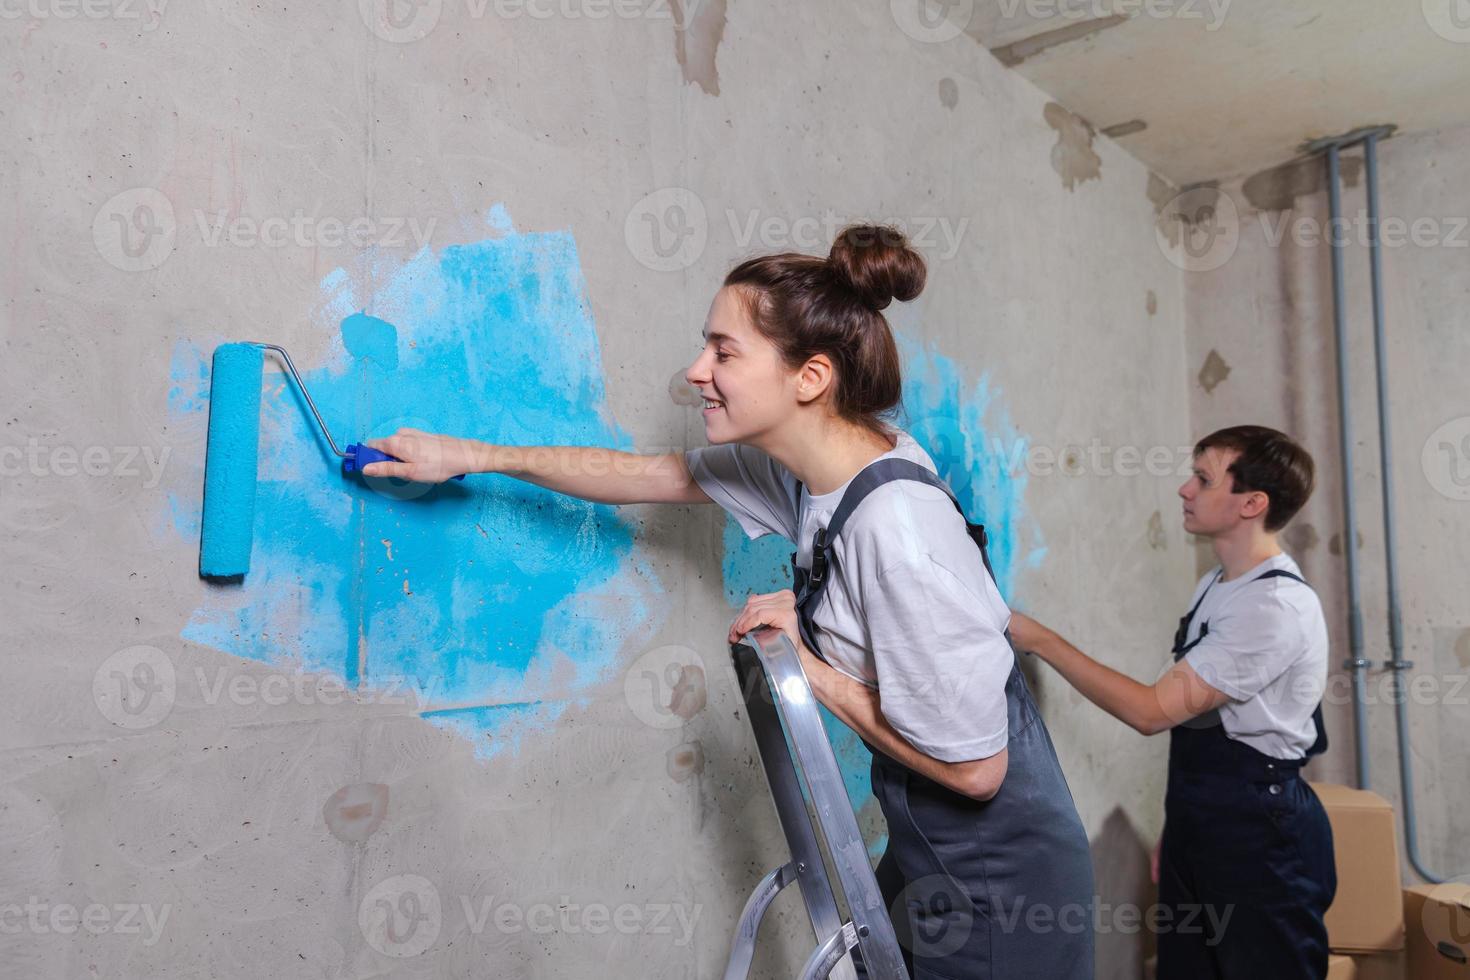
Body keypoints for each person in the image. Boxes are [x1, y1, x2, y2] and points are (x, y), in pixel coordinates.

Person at [360, 225, 1095, 978]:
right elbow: (649, 476)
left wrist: (812, 673)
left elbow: (978, 773)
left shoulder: (897, 526)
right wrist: (473, 457)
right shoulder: (813, 472)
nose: (695, 372)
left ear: (808, 377)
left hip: (1005, 884)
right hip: (928, 849)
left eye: (723, 351)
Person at [1008, 425, 1336, 979]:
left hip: (1261, 830)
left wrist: (1040, 640)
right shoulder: (1219, 583)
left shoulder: (1273, 607)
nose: (1185, 489)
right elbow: (1204, 718)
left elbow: (1151, 712)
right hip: (1208, 813)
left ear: (1251, 503)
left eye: (1204, 479)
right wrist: (1181, 822)